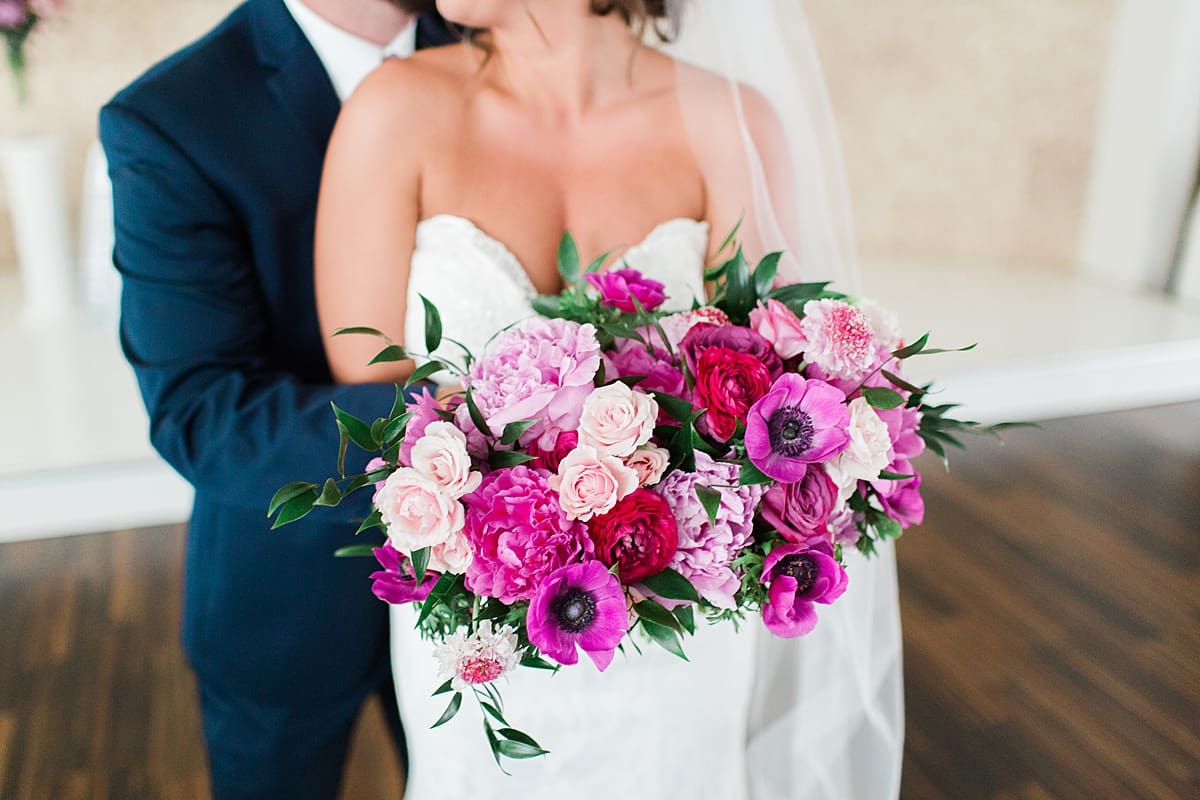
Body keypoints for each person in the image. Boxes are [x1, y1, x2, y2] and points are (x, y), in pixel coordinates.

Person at [315, 1, 905, 798]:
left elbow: (769, 377)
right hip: (480, 623)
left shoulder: (728, 122)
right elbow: (370, 389)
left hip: (674, 626)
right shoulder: (394, 112)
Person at [98, 1, 455, 796]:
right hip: (290, 595)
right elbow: (203, 410)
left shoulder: (497, 44)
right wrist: (458, 428)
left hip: (496, 599)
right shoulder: (172, 119)